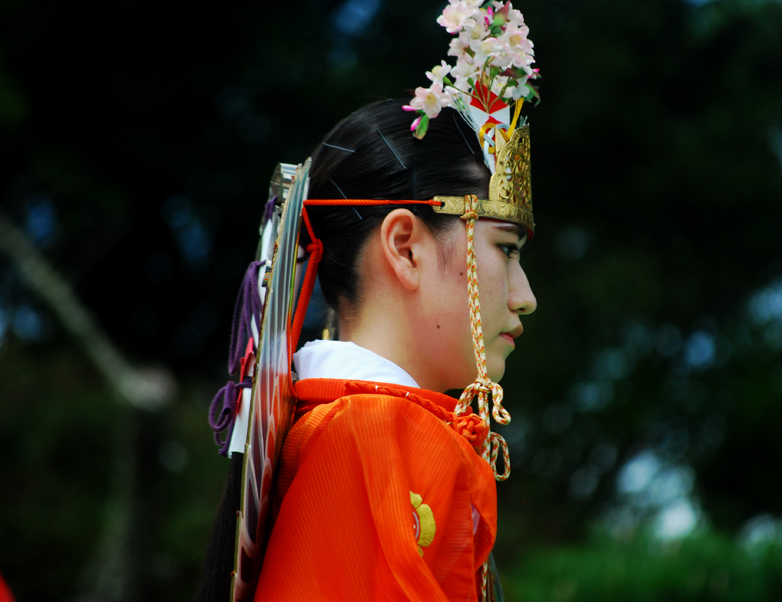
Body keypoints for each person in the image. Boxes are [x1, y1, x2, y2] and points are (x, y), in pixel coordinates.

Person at [199, 3, 539, 600]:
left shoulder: (348, 428)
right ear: (405, 247)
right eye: (505, 250)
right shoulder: (369, 434)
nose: (526, 297)